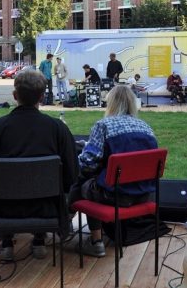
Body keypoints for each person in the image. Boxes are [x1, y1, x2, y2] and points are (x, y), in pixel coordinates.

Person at [0, 70, 78, 261]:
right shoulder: (57, 128)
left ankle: (7, 243)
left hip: (3, 210)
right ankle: (39, 240)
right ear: (42, 97)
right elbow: (71, 176)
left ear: (15, 96)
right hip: (47, 209)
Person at [69, 85, 158, 258]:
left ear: (111, 103)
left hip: (115, 196)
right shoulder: (146, 128)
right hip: (144, 195)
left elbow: (88, 164)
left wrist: (81, 153)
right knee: (94, 180)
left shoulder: (104, 125)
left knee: (83, 183)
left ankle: (94, 241)